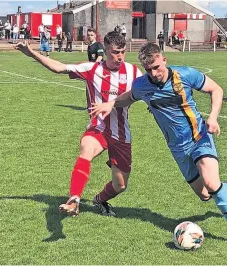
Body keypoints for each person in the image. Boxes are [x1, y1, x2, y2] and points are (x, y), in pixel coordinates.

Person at [88, 43, 227, 251]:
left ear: (164, 60)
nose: (154, 73)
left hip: (199, 137)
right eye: (149, 70)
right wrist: (111, 103)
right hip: (177, 148)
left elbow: (215, 89)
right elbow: (128, 97)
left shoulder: (185, 75)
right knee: (205, 195)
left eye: (156, 67)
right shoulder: (142, 85)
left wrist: (213, 117)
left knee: (210, 182)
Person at [15, 31, 143, 217]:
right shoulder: (92, 69)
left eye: (123, 51)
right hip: (99, 128)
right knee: (86, 150)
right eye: (115, 52)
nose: (120, 56)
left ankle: (99, 200)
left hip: (122, 133)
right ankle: (74, 199)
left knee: (120, 185)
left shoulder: (133, 72)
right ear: (106, 50)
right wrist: (32, 53)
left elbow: (142, 93)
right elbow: (59, 68)